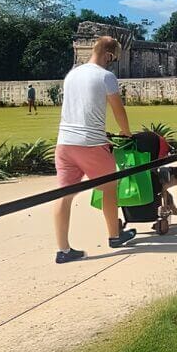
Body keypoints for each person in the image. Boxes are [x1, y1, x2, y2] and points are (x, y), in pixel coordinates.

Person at [53, 36, 138, 263]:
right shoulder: (106, 76)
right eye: (114, 58)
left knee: (64, 194)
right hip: (90, 143)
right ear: (109, 55)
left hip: (64, 142)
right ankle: (114, 235)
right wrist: (125, 131)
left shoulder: (72, 74)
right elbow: (118, 109)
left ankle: (63, 249)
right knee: (110, 186)